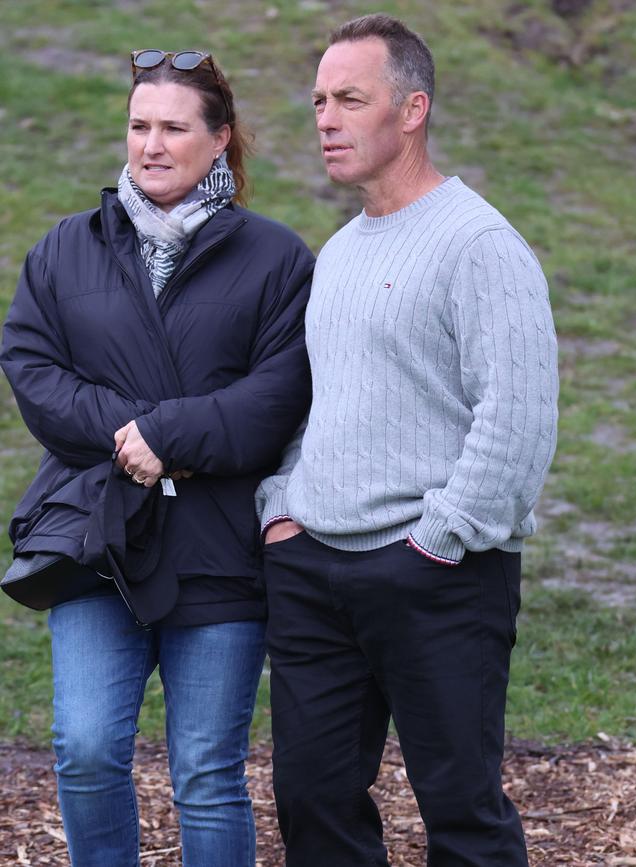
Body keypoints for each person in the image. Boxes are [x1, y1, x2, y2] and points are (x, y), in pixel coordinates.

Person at [256, 14, 559, 867]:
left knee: (460, 812)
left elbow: (520, 413)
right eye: (318, 99)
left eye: (350, 99)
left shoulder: (479, 244)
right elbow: (317, 402)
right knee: (313, 803)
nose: (325, 118)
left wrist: (440, 536)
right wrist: (285, 508)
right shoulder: (343, 252)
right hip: (315, 573)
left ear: (413, 109)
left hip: (438, 573)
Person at [0, 49, 313, 867]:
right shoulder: (65, 249)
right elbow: (32, 369)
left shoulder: (278, 259)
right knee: (87, 747)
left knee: (208, 774)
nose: (152, 144)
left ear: (220, 140)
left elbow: (281, 392)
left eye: (174, 127)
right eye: (140, 125)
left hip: (219, 555)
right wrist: (134, 435)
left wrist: (168, 438)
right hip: (96, 545)